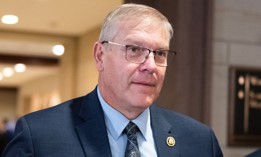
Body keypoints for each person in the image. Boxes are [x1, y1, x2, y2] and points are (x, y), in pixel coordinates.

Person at [2, 3, 223, 157]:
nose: (151, 66)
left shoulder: (200, 141)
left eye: (160, 53)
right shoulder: (40, 137)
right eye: (134, 49)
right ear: (100, 56)